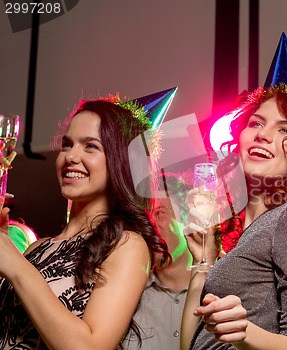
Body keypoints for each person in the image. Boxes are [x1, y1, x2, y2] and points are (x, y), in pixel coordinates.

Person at [181, 33, 287, 350]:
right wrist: (204, 261)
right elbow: (191, 344)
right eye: (256, 123)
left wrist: (245, 332)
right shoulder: (243, 234)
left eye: (285, 129)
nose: (263, 135)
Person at [0, 98, 169, 349]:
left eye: (90, 146)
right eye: (67, 145)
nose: (71, 156)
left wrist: (15, 265)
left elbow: (91, 346)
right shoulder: (36, 249)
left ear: (120, 161)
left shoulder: (126, 245)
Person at [122, 196, 191, 350]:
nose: (150, 224)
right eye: (145, 218)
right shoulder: (128, 297)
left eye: (160, 213)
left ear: (187, 221)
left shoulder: (219, 290)